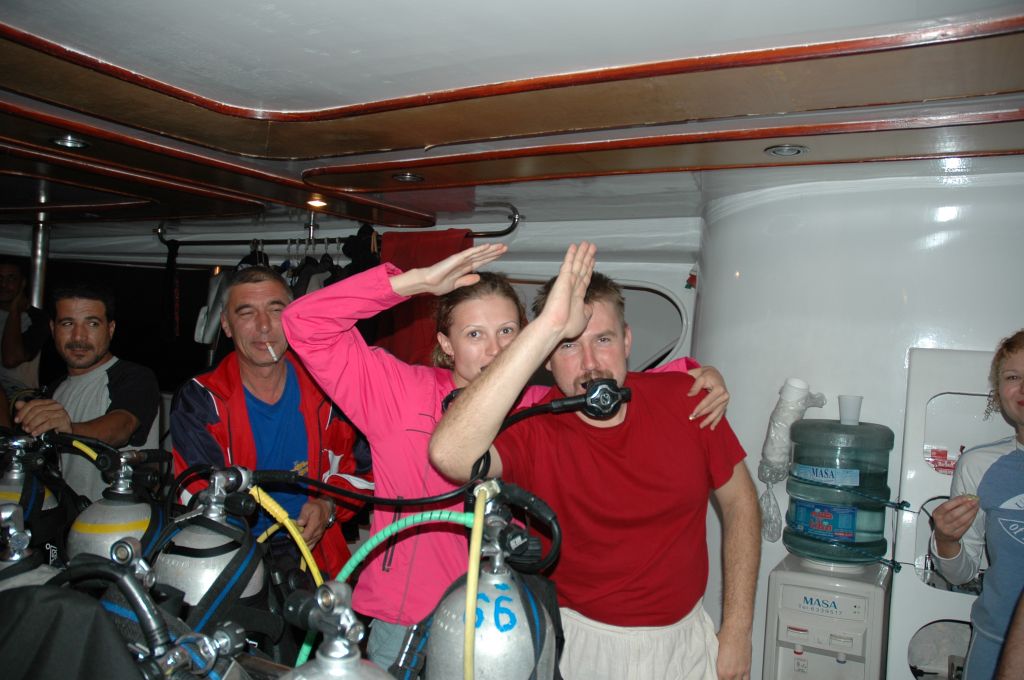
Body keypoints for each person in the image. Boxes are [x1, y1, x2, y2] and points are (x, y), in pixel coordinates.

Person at [281, 243, 731, 669]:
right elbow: (303, 322)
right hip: (406, 621)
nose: (495, 350)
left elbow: (610, 384)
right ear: (446, 344)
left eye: (507, 332)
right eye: (474, 334)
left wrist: (694, 373)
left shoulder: (540, 407)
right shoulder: (396, 393)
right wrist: (416, 282)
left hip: (500, 622)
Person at [430, 242, 760, 680]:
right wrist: (547, 327)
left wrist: (737, 630)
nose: (590, 363)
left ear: (627, 341)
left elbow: (740, 502)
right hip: (581, 645)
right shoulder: (532, 428)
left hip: (686, 643)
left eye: (603, 340)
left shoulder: (688, 400)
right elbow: (449, 455)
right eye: (568, 345)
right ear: (547, 358)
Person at [170, 266, 362, 578]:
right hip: (231, 553)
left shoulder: (331, 390)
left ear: (293, 318)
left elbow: (367, 471)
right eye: (247, 313)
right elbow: (196, 492)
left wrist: (328, 505)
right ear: (226, 325)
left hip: (314, 551)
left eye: (275, 310)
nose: (263, 326)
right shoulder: (201, 399)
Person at [931, 329, 1024, 680]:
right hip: (994, 645)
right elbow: (962, 572)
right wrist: (946, 540)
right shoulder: (979, 466)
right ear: (998, 392)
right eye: (1013, 377)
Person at [13, 281, 160, 502]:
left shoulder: (135, 377)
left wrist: (68, 431)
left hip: (119, 519)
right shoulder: (53, 390)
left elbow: (121, 427)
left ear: (110, 329)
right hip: (64, 516)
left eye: (92, 324)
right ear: (53, 329)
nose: (78, 337)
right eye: (67, 323)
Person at [0, 257, 49, 401]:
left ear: (22, 283)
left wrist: (15, 309)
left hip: (19, 396)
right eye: (0, 278)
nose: (4, 284)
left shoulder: (38, 318)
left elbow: (11, 359)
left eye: (11, 278)